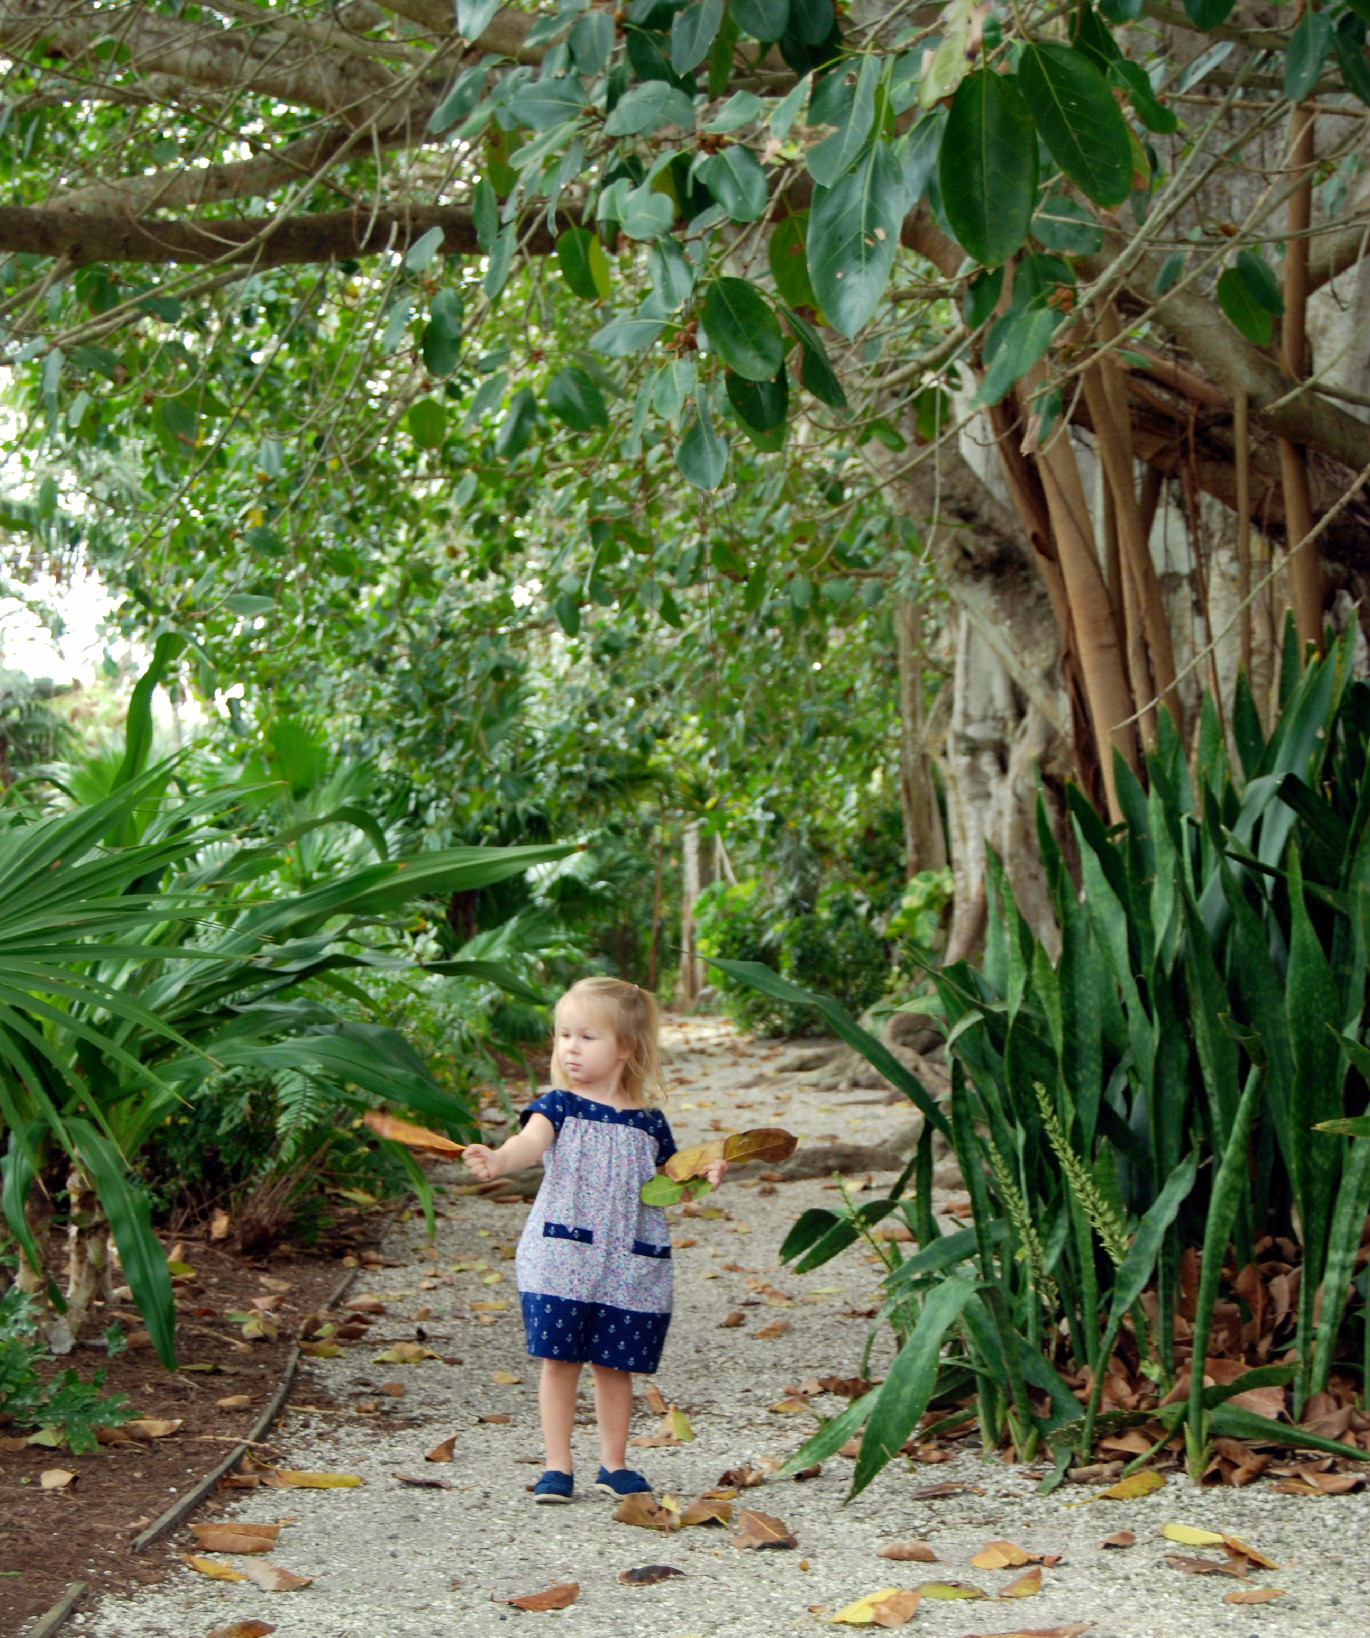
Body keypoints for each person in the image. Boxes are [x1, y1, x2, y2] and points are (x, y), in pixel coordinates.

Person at [462, 976, 726, 1504]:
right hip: (562, 1256)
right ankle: (557, 1466)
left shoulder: (650, 1122)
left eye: (587, 1036)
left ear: (626, 1047)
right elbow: (527, 1143)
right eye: (563, 1036)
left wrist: (702, 1174)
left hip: (629, 1261)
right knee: (560, 1361)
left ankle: (614, 1464)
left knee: (615, 1365)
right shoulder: (558, 1105)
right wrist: (497, 1159)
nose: (570, 1048)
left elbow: (668, 1181)